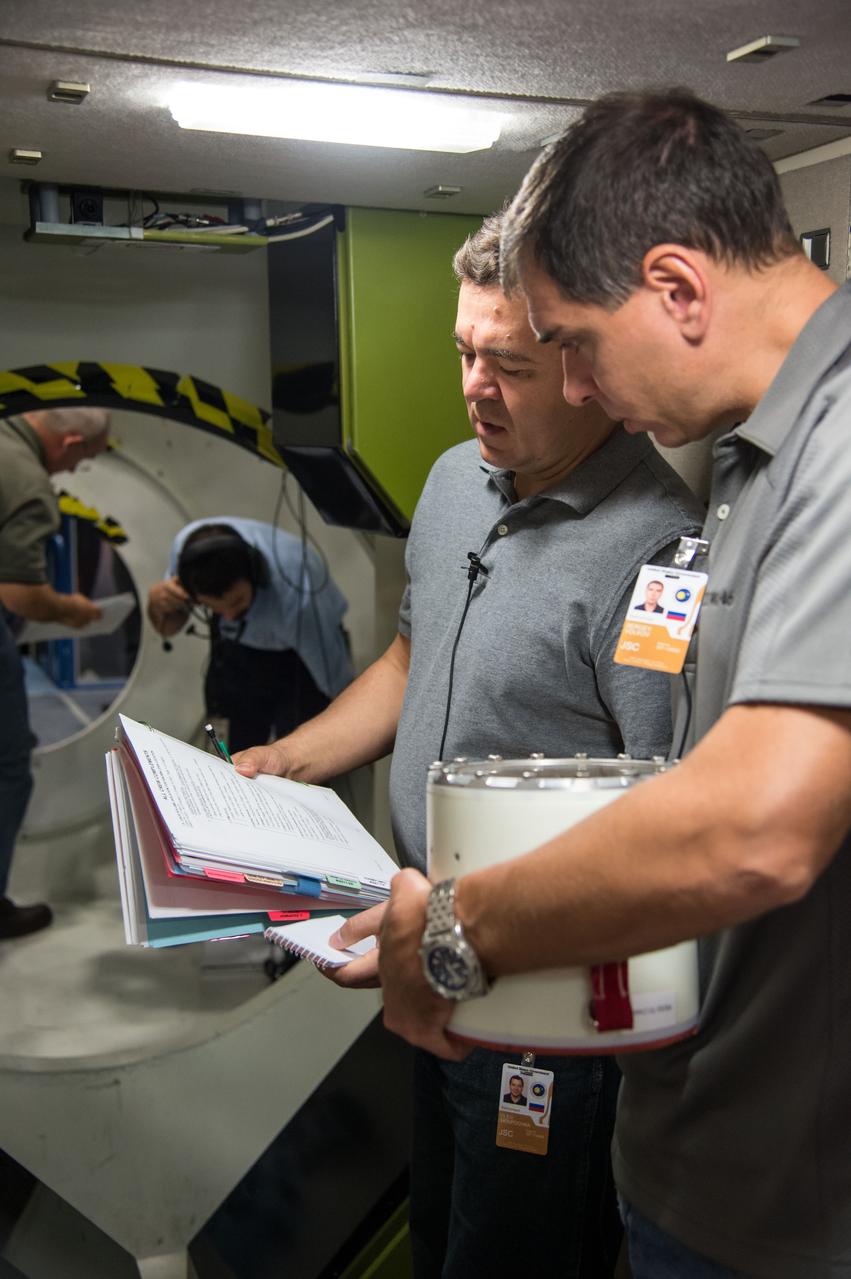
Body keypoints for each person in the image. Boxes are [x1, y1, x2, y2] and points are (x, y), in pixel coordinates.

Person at [370, 89, 851, 1279]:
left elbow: (754, 825)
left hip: (787, 1202)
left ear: (676, 288)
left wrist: (454, 926)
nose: (573, 387)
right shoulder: (754, 455)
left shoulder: (836, 443)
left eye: (572, 341)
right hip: (702, 1147)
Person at [235, 213, 703, 1278]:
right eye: (462, 353)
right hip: (433, 959)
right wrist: (284, 762)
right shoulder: (456, 479)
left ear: (583, 369)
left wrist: (457, 927)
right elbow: (411, 657)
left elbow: (660, 814)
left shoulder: (657, 556)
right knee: (443, 1235)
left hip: (546, 1006)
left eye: (509, 366)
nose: (473, 388)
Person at [0, 407, 110, 939]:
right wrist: (71, 611)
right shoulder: (28, 481)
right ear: (68, 442)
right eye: (81, 461)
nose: (72, 472)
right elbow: (20, 594)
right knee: (8, 764)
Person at [147, 519, 353, 753]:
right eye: (214, 608)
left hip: (297, 661)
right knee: (226, 750)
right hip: (237, 649)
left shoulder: (298, 599)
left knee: (300, 750)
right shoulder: (188, 555)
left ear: (256, 574)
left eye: (237, 602)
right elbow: (167, 629)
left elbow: (335, 681)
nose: (229, 616)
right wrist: (156, 604)